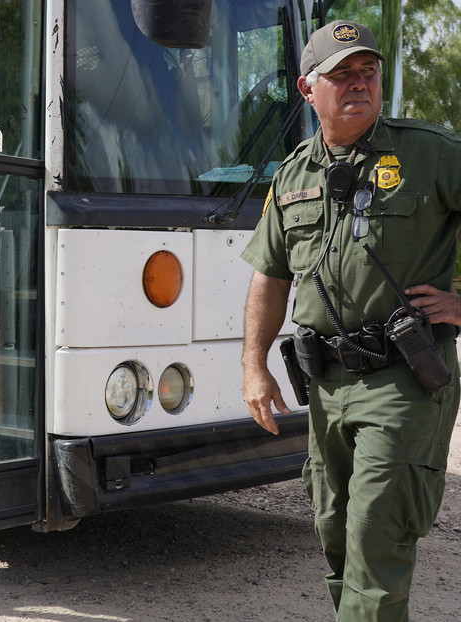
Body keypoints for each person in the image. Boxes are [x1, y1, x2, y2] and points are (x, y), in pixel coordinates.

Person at [240, 21, 461, 621]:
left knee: (374, 536)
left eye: (369, 71)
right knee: (336, 532)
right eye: (342, 74)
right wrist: (253, 365)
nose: (359, 83)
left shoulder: (430, 154)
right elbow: (271, 275)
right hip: (327, 384)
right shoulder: (293, 175)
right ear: (308, 90)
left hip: (405, 381)